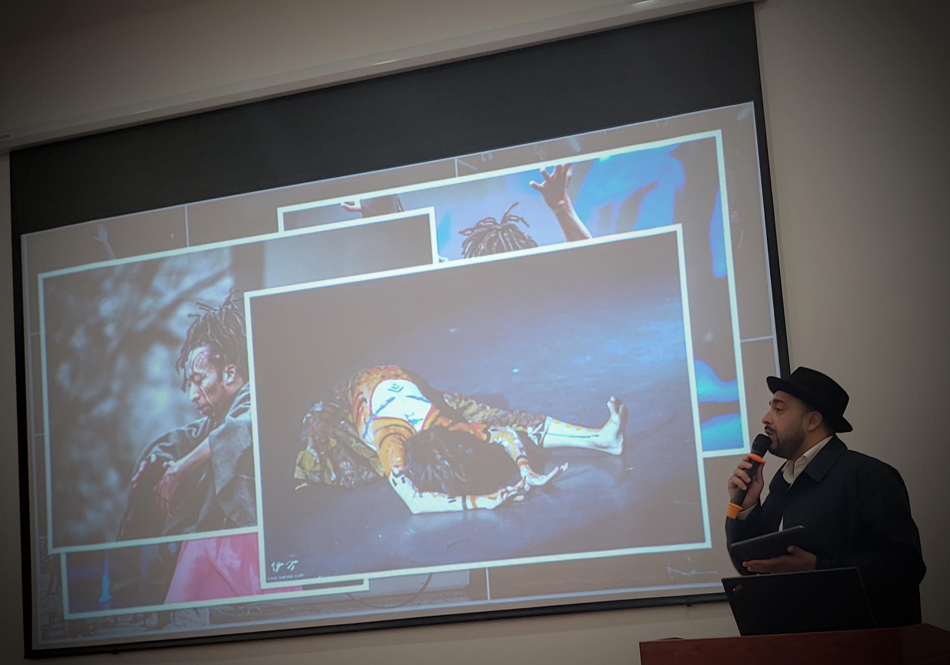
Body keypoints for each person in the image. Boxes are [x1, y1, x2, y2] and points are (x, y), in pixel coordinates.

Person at [725, 367, 926, 627]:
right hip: (792, 642)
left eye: (779, 409)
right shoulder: (782, 482)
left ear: (812, 421)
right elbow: (750, 566)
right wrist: (747, 508)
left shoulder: (868, 475)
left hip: (859, 642)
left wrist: (818, 568)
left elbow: (905, 566)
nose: (766, 418)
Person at [115, 291, 277, 604]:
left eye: (199, 379)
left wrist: (180, 470)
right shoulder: (215, 419)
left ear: (230, 373)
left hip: (259, 558)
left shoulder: (256, 396)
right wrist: (161, 460)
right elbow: (184, 438)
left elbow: (242, 426)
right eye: (188, 383)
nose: (192, 394)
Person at [294, 365, 627, 514]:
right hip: (346, 402)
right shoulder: (389, 439)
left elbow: (504, 431)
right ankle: (600, 440)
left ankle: (601, 439)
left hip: (411, 386)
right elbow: (415, 503)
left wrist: (526, 468)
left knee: (494, 416)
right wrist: (484, 500)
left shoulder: (442, 421)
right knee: (325, 457)